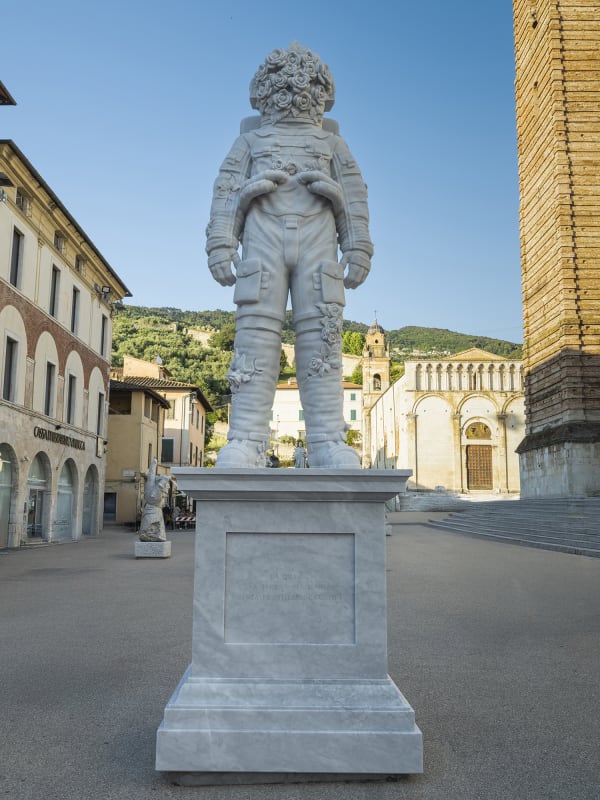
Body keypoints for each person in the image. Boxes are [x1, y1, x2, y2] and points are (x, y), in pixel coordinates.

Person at [206, 42, 373, 469]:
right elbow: (226, 191)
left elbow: (354, 195)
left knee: (323, 335)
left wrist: (357, 244)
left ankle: (327, 441)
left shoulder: (334, 147)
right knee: (255, 334)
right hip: (262, 242)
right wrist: (223, 241)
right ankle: (245, 438)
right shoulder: (248, 142)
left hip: (319, 244)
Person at [139, 458, 171, 542]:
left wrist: (153, 465)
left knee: (156, 528)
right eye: (166, 489)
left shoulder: (155, 493)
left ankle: (151, 533)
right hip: (153, 511)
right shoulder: (155, 495)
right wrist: (163, 481)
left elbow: (151, 476)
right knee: (152, 526)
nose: (166, 493)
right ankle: (150, 533)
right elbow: (155, 493)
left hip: (155, 511)